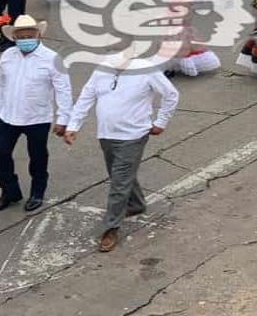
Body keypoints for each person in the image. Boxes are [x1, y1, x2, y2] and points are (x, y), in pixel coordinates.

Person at [64, 59, 179, 252]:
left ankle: (111, 227)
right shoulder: (102, 69)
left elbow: (171, 94)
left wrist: (161, 121)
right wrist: (73, 126)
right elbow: (86, 97)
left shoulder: (146, 69)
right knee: (120, 176)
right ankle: (135, 204)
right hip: (107, 134)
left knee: (119, 181)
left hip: (133, 135)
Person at [0, 14, 72, 213]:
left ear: (38, 35)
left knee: (38, 157)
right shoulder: (8, 56)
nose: (25, 40)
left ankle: (37, 192)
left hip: (37, 117)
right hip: (8, 115)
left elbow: (63, 90)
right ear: (14, 38)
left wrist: (63, 119)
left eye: (29, 36)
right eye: (21, 37)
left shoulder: (52, 59)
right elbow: (0, 83)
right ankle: (9, 192)